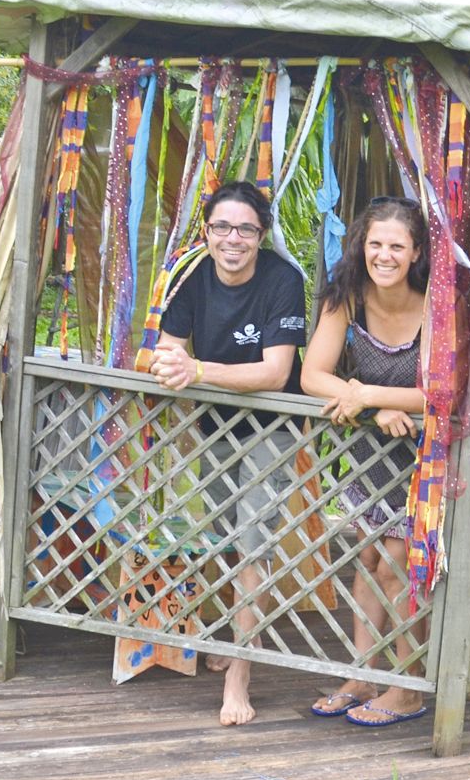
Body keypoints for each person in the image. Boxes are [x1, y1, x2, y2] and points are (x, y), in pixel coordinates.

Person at [148, 180, 308, 727]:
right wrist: (172, 363)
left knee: (252, 545)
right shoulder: (191, 275)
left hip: (271, 426)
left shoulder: (283, 280)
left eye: (245, 229)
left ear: (261, 236)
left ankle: (240, 673)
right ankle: (228, 638)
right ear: (207, 232)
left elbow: (275, 371)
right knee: (222, 537)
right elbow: (167, 348)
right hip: (216, 425)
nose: (232, 239)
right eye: (222, 227)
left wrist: (197, 370)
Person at [300, 195, 430, 727]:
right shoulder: (346, 298)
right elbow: (313, 376)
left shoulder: (435, 306)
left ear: (416, 251)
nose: (384, 255)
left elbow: (439, 392)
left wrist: (368, 393)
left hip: (423, 454)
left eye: (396, 246)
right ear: (362, 245)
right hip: (371, 448)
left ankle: (407, 688)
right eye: (375, 243)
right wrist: (373, 408)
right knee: (370, 563)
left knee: (400, 566)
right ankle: (362, 675)